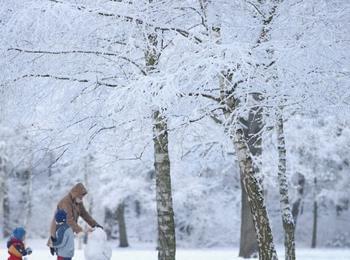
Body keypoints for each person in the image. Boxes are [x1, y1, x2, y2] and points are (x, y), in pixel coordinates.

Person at [48, 183, 103, 255]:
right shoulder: (66, 202)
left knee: (66, 254)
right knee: (62, 254)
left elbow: (84, 214)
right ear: (75, 194)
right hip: (59, 231)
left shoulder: (78, 202)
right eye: (81, 196)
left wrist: (95, 224)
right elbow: (68, 219)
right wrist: (79, 230)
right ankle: (52, 244)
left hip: (68, 230)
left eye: (82, 196)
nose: (82, 198)